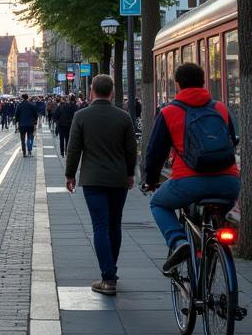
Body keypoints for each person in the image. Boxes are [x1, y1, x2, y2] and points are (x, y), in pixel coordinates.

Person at [143, 62, 240, 273]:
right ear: (203, 82)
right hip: (229, 183)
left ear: (177, 84)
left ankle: (178, 241)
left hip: (188, 182)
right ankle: (215, 253)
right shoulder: (220, 108)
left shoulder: (169, 112)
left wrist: (150, 181)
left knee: (158, 204)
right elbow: (232, 140)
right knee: (216, 222)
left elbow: (155, 154)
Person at [64, 74, 138, 296]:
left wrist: (70, 175)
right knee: (115, 225)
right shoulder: (123, 117)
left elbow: (74, 148)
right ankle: (111, 270)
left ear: (92, 91)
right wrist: (130, 173)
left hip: (93, 180)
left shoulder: (81, 116)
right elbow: (131, 149)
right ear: (112, 92)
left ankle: (108, 277)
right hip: (118, 179)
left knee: (100, 226)